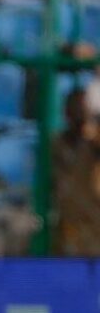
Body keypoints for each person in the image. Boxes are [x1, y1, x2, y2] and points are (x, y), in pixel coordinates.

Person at [52, 89, 100, 256]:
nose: (78, 114)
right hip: (68, 224)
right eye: (73, 109)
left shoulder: (92, 145)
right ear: (65, 112)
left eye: (82, 109)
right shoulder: (56, 144)